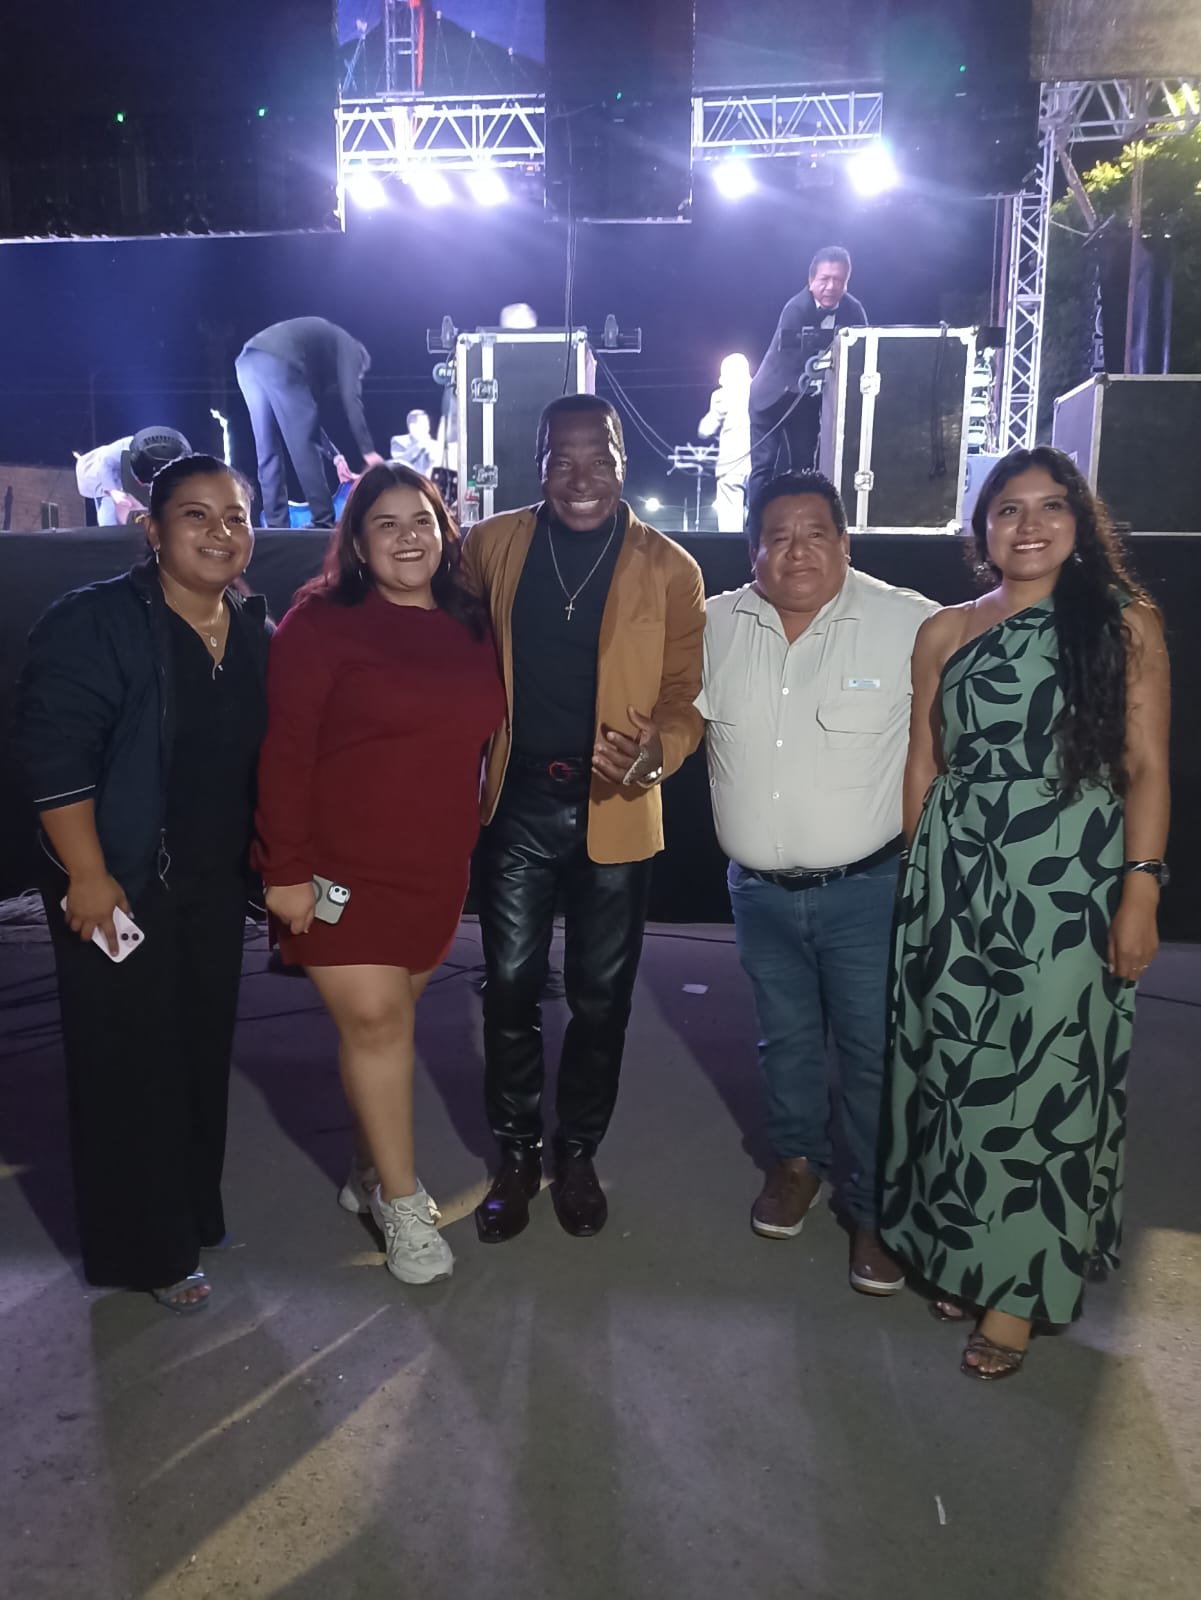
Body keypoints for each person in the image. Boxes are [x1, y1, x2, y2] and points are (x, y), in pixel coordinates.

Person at [882, 446, 1170, 1380]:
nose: (1030, 524)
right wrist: (919, 879)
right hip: (957, 873)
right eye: (1008, 508)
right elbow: (923, 763)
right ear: (982, 529)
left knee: (1042, 1074)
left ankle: (1015, 1290)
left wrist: (1139, 888)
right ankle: (964, 1250)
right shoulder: (944, 631)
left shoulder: (1122, 621)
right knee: (956, 1066)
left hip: (1069, 878)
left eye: (1051, 506)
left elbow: (1146, 768)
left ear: (1080, 523)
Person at [14, 456, 270, 1312]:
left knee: (196, 1050)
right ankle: (148, 1251)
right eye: (195, 515)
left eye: (235, 516)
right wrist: (87, 874)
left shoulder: (250, 626)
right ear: (152, 529)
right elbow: (54, 753)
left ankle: (192, 1211)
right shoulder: (95, 623)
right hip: (119, 883)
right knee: (129, 1068)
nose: (219, 531)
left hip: (210, 884)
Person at [462, 394, 705, 1243]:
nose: (579, 477)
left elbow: (684, 697)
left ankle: (576, 1153)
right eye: (560, 459)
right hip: (519, 799)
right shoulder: (489, 545)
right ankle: (515, 1153)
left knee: (600, 999)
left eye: (597, 458)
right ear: (537, 464)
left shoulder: (670, 567)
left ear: (621, 460)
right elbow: (443, 647)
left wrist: (659, 749)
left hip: (617, 805)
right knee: (510, 986)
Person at [255, 463, 504, 1285]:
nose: (407, 537)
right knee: (375, 1025)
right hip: (338, 873)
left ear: (444, 531)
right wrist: (284, 870)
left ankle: (365, 1168)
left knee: (388, 1028)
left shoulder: (472, 624)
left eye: (421, 520)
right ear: (357, 544)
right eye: (386, 524)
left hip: (434, 870)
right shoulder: (321, 623)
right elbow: (285, 753)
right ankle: (400, 1204)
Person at [697, 471, 937, 1293]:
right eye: (777, 536)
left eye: (814, 533)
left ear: (843, 541)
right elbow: (674, 717)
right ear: (752, 550)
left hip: (868, 890)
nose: (795, 551)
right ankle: (796, 1163)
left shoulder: (911, 622)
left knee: (872, 1053)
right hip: (758, 893)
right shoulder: (712, 625)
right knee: (785, 1039)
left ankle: (873, 1210)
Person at [235, 316, 386, 530]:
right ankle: (323, 520)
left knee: (267, 447)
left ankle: (277, 524)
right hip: (277, 358)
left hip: (247, 362)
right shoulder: (350, 346)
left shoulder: (312, 360)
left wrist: (335, 457)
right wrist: (368, 451)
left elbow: (306, 423)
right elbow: (351, 398)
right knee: (303, 447)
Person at [747, 247, 867, 517]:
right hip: (771, 397)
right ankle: (755, 528)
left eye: (838, 280)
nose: (831, 286)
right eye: (824, 279)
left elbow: (862, 350)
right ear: (811, 280)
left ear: (847, 282)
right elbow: (793, 359)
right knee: (763, 467)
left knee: (804, 469)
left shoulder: (854, 310)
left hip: (806, 400)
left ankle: (801, 522)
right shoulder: (795, 308)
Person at [74, 426, 192, 526]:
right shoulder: (126, 448)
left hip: (139, 486)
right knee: (112, 520)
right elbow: (105, 461)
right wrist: (112, 491)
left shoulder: (181, 459)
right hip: (112, 480)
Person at [698, 353, 752, 533]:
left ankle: (733, 548)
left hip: (731, 466)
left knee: (730, 525)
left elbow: (705, 430)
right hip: (758, 465)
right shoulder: (759, 391)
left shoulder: (722, 395)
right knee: (758, 519)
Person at [390, 409, 434, 476]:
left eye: (428, 425)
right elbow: (399, 462)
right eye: (424, 425)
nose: (428, 428)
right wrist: (420, 444)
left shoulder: (432, 444)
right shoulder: (398, 440)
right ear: (412, 427)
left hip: (426, 480)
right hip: (407, 479)